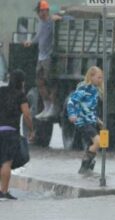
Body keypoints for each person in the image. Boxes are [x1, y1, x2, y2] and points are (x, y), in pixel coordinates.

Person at [23, 0, 62, 120]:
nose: (39, 14)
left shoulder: (52, 21)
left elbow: (65, 18)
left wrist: (60, 17)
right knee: (39, 82)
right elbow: (39, 36)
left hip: (48, 57)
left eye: (40, 11)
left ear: (45, 10)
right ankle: (46, 106)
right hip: (41, 57)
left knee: (50, 81)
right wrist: (31, 41)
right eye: (38, 11)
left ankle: (53, 107)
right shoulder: (40, 23)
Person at [0, 70, 34, 200]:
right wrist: (31, 129)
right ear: (22, 82)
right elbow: (26, 114)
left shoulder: (1, 91)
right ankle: (3, 191)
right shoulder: (20, 95)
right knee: (6, 163)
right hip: (10, 132)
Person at [67, 66, 104, 174]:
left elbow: (90, 108)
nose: (100, 80)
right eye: (98, 77)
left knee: (92, 146)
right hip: (83, 122)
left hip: (92, 121)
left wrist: (98, 121)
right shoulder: (83, 89)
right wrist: (72, 114)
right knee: (98, 141)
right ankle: (84, 167)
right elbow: (71, 102)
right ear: (91, 77)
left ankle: (88, 170)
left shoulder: (96, 91)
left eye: (101, 78)